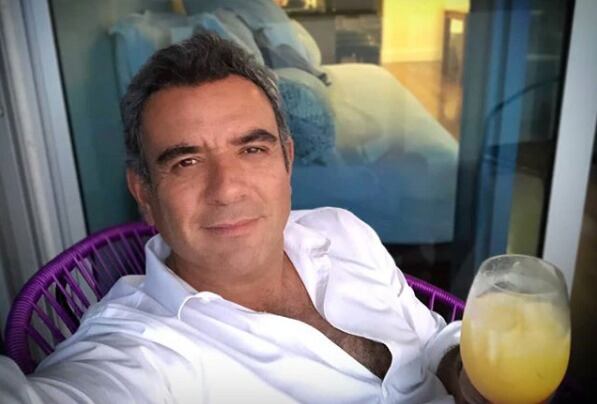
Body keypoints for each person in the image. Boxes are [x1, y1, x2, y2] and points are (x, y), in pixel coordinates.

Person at [0, 32, 482, 403]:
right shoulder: (143, 353)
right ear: (144, 193)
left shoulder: (341, 230)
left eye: (252, 149)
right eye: (186, 161)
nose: (227, 188)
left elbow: (433, 336)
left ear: (287, 160)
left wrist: (467, 374)